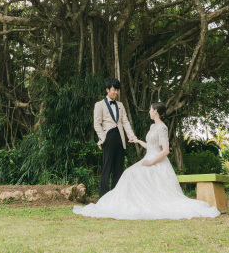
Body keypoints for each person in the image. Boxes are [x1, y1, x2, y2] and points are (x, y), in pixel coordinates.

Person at [74, 100, 220, 220]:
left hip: (157, 163)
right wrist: (137, 141)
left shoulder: (162, 128)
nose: (149, 111)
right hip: (148, 158)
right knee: (128, 173)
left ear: (155, 111)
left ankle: (140, 204)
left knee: (132, 175)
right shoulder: (152, 126)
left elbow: (165, 151)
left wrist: (151, 162)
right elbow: (150, 146)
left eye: (150, 109)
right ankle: (125, 203)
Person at [93, 78, 137, 197]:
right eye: (114, 90)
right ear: (107, 90)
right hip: (109, 137)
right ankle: (103, 198)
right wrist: (103, 137)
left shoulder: (120, 105)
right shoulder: (99, 105)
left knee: (119, 170)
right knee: (107, 169)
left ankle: (115, 198)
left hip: (120, 139)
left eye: (117, 90)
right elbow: (97, 123)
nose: (116, 93)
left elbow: (125, 122)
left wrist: (131, 136)